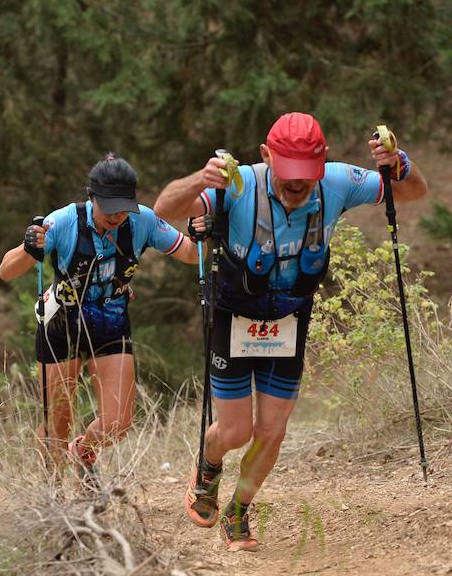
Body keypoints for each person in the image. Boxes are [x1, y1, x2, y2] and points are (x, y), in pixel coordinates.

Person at [154, 112, 428, 550]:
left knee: (273, 430)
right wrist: (199, 180)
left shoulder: (338, 182)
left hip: (289, 319)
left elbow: (412, 192)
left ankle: (239, 512)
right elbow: (161, 210)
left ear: (322, 165)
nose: (297, 185)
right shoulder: (237, 184)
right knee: (235, 432)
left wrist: (398, 163)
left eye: (306, 175)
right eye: (287, 174)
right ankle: (208, 467)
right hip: (234, 316)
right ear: (266, 156)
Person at [0, 153, 200, 489]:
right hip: (62, 325)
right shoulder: (62, 221)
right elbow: (6, 270)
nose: (116, 215)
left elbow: (191, 254)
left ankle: (85, 451)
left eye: (123, 207)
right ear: (91, 197)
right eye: (108, 207)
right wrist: (28, 248)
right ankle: (52, 495)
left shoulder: (143, 222)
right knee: (57, 425)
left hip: (110, 323)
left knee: (118, 423)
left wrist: (204, 233)